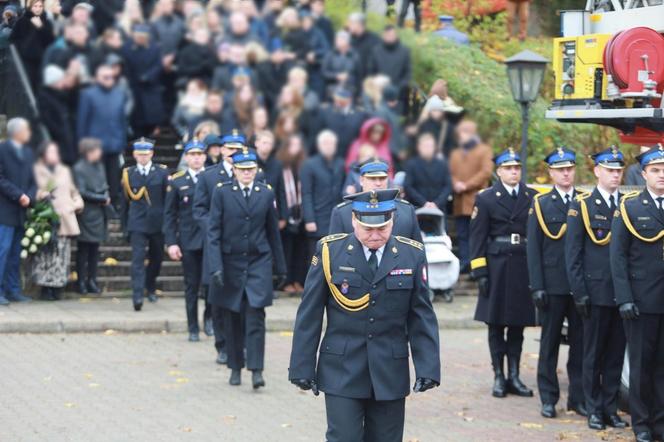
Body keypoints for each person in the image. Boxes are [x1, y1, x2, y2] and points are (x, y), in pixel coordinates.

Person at [289, 188, 440, 442]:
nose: (375, 235)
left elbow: (421, 315)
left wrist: (428, 367)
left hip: (389, 369)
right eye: (368, 229)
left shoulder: (410, 253)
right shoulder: (330, 252)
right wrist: (301, 367)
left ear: (392, 221)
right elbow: (309, 313)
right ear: (353, 221)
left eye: (382, 228)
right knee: (343, 437)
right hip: (341, 367)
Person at [207, 147, 286, 388]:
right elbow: (213, 232)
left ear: (256, 170)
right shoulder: (222, 193)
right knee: (233, 316)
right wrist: (215, 266)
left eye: (251, 169)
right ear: (235, 171)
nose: (247, 174)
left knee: (256, 315)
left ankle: (256, 369)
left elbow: (273, 232)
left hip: (258, 260)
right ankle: (235, 366)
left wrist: (280, 267)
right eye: (242, 170)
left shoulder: (265, 193)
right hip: (230, 262)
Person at [565, 146, 628, 431]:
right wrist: (580, 293)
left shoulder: (628, 204)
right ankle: (593, 408)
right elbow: (573, 253)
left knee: (616, 354)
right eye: (610, 170)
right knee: (593, 355)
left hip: (622, 293)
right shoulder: (583, 205)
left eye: (619, 171)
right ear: (597, 171)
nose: (615, 176)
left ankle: (610, 408)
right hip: (595, 292)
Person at [470, 148, 536, 398]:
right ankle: (499, 375)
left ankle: (515, 376)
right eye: (508, 168)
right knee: (496, 325)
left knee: (518, 326)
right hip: (496, 266)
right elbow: (477, 237)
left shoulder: (530, 196)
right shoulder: (486, 198)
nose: (514, 172)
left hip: (521, 265)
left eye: (517, 168)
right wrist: (480, 272)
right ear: (499, 171)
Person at [526, 148, 586, 419]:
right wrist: (537, 285)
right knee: (549, 344)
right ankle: (548, 398)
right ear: (551, 173)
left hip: (580, 287)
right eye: (560, 169)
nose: (565, 173)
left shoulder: (584, 201)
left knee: (581, 344)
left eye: (569, 168)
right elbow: (534, 249)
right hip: (552, 285)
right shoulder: (541, 204)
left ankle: (578, 398)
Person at [611, 145, 664, 442]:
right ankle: (641, 424)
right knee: (642, 367)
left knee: (662, 366)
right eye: (655, 170)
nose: (661, 175)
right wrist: (625, 297)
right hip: (641, 300)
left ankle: (660, 421)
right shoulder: (631, 207)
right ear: (643, 174)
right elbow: (617, 257)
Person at [193, 131, 246, 365]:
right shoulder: (208, 176)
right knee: (217, 295)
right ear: (221, 150)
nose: (233, 153)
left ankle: (240, 345)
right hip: (217, 246)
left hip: (243, 248)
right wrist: (216, 227)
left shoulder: (253, 175)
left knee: (243, 299)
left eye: (238, 149)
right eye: (229, 149)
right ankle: (222, 345)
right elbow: (199, 211)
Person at [164, 140, 212, 342]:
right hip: (188, 241)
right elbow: (169, 215)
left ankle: (209, 320)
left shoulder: (213, 179)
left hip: (210, 240)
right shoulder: (177, 181)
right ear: (186, 157)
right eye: (192, 154)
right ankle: (192, 326)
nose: (196, 158)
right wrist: (171, 242)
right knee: (191, 285)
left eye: (200, 154)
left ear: (205, 156)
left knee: (211, 284)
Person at [120, 138, 169, 312]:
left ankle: (150, 284)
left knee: (157, 258)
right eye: (139, 155)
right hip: (137, 223)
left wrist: (168, 224)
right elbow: (124, 203)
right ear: (134, 155)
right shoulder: (128, 173)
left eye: (146, 154)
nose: (142, 157)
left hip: (157, 222)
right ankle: (137, 295)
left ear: (152, 154)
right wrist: (124, 226)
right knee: (137, 260)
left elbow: (166, 200)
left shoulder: (162, 172)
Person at [32, 140, 83, 300]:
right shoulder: (36, 170)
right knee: (45, 255)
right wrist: (40, 195)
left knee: (61, 254)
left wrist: (76, 204)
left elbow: (74, 191)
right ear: (43, 154)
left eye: (56, 151)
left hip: (65, 218)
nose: (54, 155)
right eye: (50, 152)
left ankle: (58, 287)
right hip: (45, 219)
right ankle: (45, 287)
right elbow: (31, 190)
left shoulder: (65, 170)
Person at [331, 158, 422, 241]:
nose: (378, 183)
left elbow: (418, 252)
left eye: (382, 178)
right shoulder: (342, 213)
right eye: (372, 178)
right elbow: (334, 253)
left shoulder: (407, 210)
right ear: (361, 180)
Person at [77, 63, 127, 209]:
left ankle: (113, 206)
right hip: (93, 146)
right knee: (95, 178)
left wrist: (122, 143)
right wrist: (83, 146)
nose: (109, 80)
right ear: (97, 78)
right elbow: (82, 121)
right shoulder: (88, 94)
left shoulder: (119, 94)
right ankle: (98, 204)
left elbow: (122, 120)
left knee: (114, 177)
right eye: (105, 77)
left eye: (111, 77)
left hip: (114, 143)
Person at [448, 120, 493, 273]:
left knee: (478, 235)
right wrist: (455, 184)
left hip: (477, 200)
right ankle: (465, 262)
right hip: (459, 201)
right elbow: (450, 172)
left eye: (465, 133)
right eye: (460, 133)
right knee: (462, 234)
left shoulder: (484, 150)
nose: (462, 136)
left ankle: (477, 265)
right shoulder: (455, 153)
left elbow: (486, 172)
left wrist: (466, 185)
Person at [0, 118, 36, 305]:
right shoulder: (2, 149)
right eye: (27, 129)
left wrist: (29, 196)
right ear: (17, 132)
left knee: (15, 253)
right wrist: (19, 195)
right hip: (5, 209)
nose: (29, 133)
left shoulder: (28, 153)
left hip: (21, 210)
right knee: (2, 251)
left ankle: (13, 290)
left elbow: (33, 179)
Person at [73, 137, 110, 295]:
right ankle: (81, 281)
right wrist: (101, 198)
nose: (99, 153)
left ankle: (92, 280)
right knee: (83, 250)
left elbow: (104, 184)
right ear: (89, 152)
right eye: (96, 150)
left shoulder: (100, 166)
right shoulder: (79, 168)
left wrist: (105, 194)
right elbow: (81, 191)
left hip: (99, 213)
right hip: (86, 212)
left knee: (95, 249)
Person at [300, 130, 346, 259]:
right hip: (317, 218)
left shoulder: (340, 163)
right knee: (316, 258)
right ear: (319, 145)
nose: (329, 146)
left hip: (336, 217)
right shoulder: (309, 165)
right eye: (325, 143)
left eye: (331, 143)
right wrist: (309, 219)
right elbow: (306, 193)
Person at [277, 133, 307, 293]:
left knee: (301, 250)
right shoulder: (281, 166)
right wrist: (282, 215)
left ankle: (298, 280)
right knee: (287, 249)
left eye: (298, 145)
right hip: (287, 213)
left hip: (301, 213)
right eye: (292, 145)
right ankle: (286, 281)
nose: (295, 148)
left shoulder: (304, 165)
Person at [9, 0, 55, 90]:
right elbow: (13, 39)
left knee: (41, 86)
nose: (38, 9)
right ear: (30, 7)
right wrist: (22, 48)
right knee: (29, 85)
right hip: (26, 59)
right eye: (35, 6)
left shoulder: (46, 22)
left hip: (43, 59)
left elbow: (51, 41)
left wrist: (41, 27)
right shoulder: (22, 21)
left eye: (40, 6)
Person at [404, 133, 452, 211]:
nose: (428, 148)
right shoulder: (411, 164)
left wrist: (437, 203)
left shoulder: (443, 164)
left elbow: (448, 186)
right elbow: (408, 186)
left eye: (430, 146)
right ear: (418, 147)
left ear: (434, 147)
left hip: (439, 208)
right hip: (417, 208)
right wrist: (424, 203)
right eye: (425, 146)